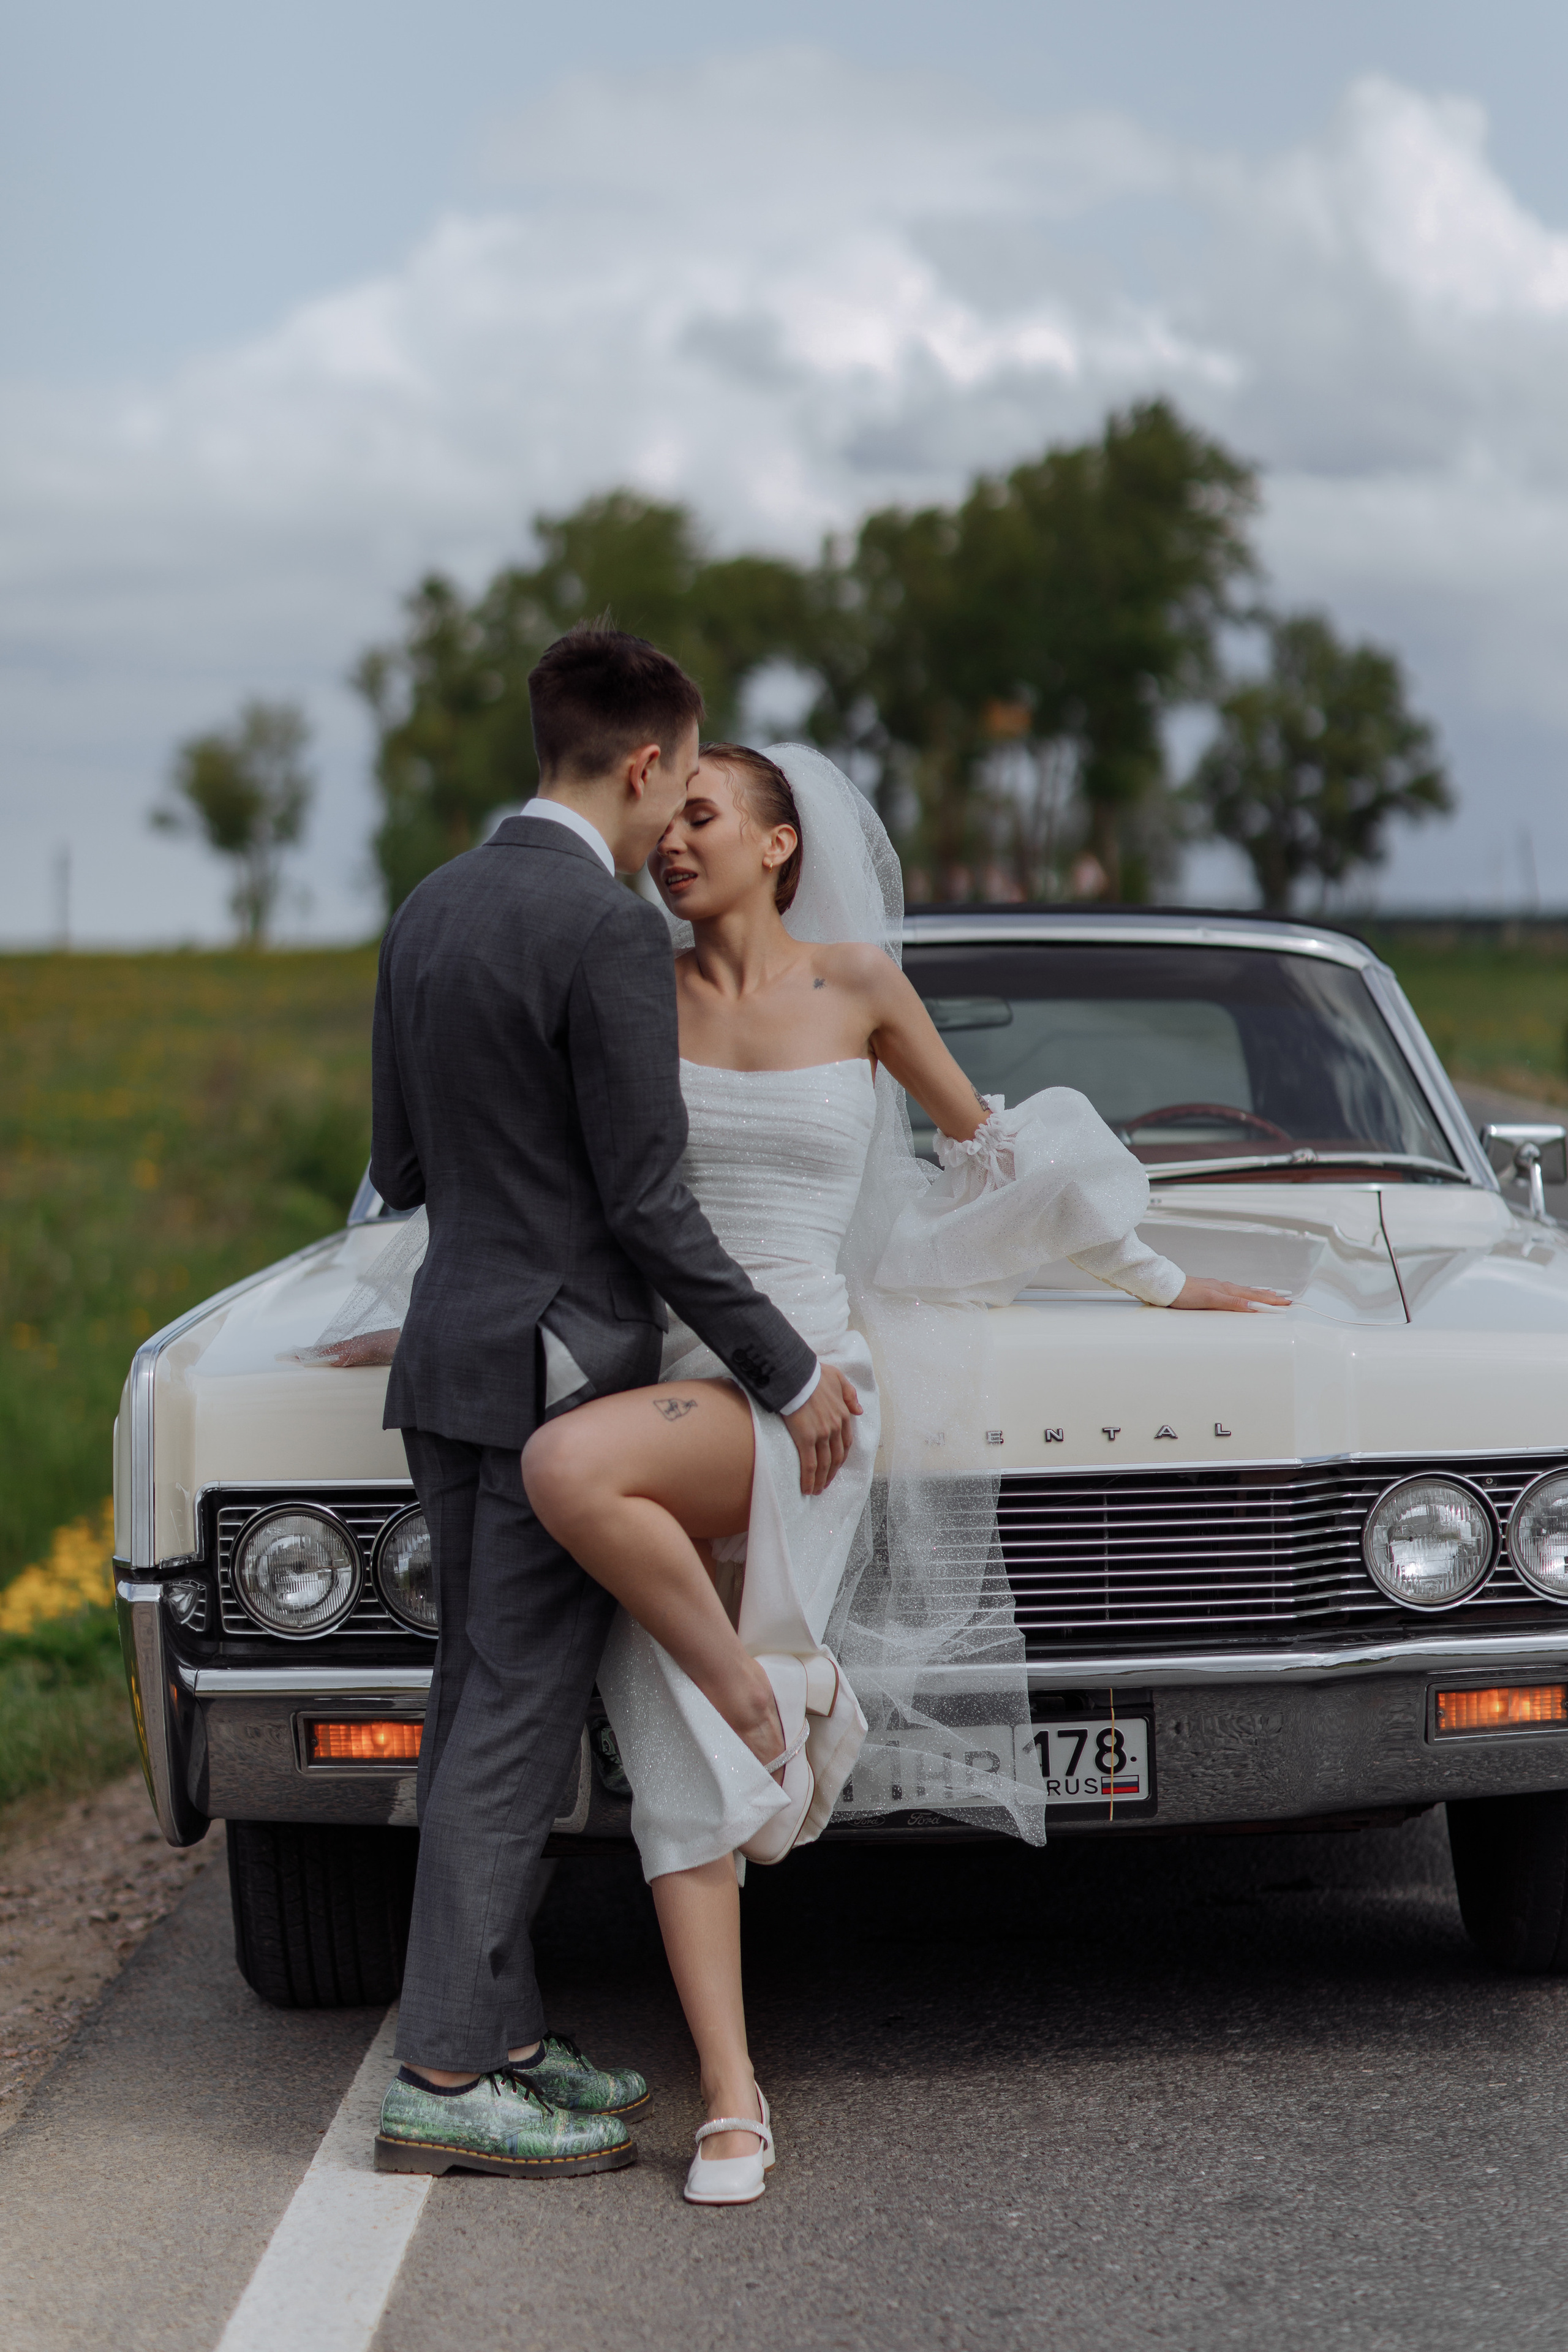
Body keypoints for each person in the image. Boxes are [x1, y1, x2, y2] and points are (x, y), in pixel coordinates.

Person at [517, 741, 1287, 2204]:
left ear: (779, 843)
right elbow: (560, 1196)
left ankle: (768, 1685)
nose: (672, 843)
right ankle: (732, 2097)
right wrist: (429, 1308)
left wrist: (1159, 1280)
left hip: (806, 1394)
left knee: (572, 1478)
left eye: (702, 817)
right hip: (665, 1381)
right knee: (675, 1757)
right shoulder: (635, 995)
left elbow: (991, 1158)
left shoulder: (860, 985)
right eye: (662, 820)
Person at [360, 628, 861, 2182]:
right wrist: (786, 1372)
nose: (674, 830)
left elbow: (408, 1165)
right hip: (557, 1373)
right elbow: (649, 1206)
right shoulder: (593, 931)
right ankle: (444, 2071)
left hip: (446, 1355)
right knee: (511, 1722)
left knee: (471, 1705)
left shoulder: (429, 907)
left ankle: (497, 2033)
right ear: (645, 763)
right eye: (678, 784)